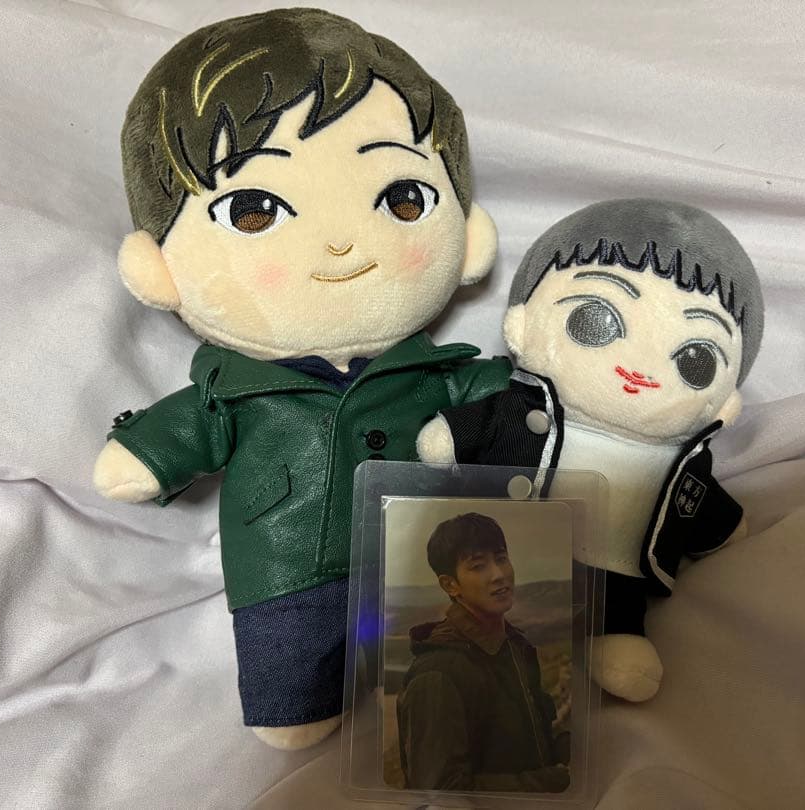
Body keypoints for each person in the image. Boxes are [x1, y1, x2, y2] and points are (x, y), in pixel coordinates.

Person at [91, 10, 511, 750]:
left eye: (403, 198)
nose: (342, 242)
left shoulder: (433, 375)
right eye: (254, 210)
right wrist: (146, 452)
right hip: (280, 564)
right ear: (157, 268)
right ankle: (294, 701)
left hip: (424, 563)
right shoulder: (235, 387)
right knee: (290, 688)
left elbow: (501, 397)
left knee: (441, 684)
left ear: (469, 237)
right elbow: (189, 426)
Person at [416, 199, 764, 702]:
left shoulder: (682, 461)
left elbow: (703, 505)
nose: (639, 368)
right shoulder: (518, 409)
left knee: (614, 607)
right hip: (518, 559)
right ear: (521, 326)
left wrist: (726, 527)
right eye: (595, 320)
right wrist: (449, 436)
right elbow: (472, 428)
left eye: (696, 360)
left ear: (727, 402)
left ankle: (614, 636)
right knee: (505, 603)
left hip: (615, 578)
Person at [397, 513, 569, 793]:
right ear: (450, 585)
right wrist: (552, 782)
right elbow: (440, 792)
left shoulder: (515, 647)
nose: (498, 574)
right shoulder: (438, 674)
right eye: (478, 566)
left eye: (501, 558)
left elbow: (534, 740)